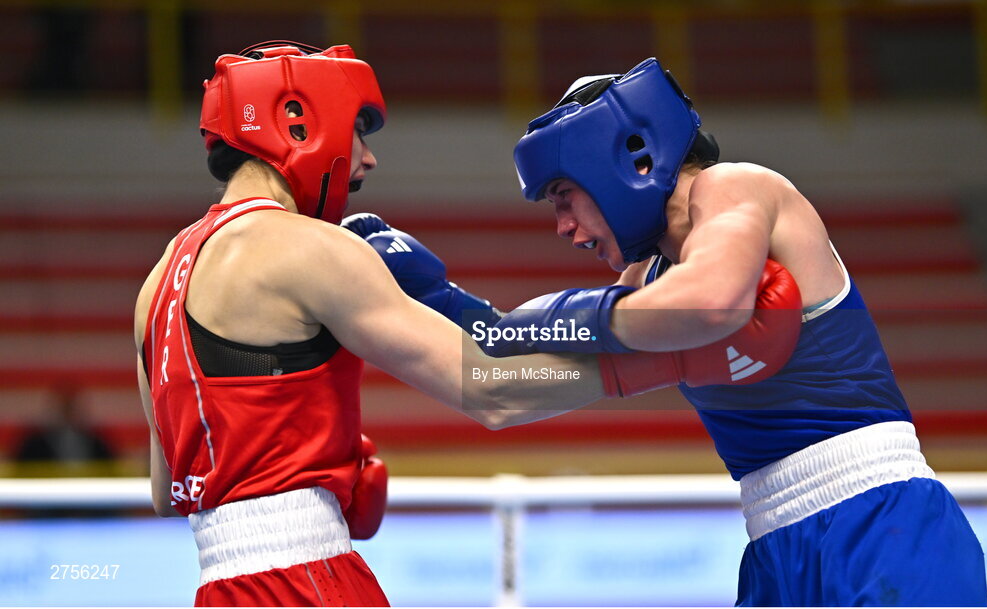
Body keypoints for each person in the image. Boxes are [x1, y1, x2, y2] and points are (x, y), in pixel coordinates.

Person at [134, 43, 803, 607]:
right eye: (359, 131)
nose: (365, 160)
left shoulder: (158, 279)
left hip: (218, 584)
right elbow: (491, 387)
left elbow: (169, 491)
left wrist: (301, 458)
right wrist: (672, 359)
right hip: (308, 580)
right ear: (297, 120)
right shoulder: (309, 246)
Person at [352, 58, 987, 605]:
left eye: (564, 197)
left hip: (882, 523)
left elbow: (712, 304)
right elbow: (508, 391)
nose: (564, 229)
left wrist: (573, 320)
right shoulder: (645, 283)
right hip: (775, 544)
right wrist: (445, 308)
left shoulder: (737, 188)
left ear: (625, 160)